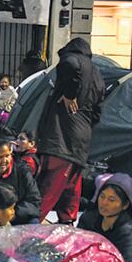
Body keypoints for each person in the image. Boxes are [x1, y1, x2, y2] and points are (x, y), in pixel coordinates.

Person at [36, 38, 104, 224]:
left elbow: (69, 64)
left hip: (62, 138)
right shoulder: (96, 72)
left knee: (48, 189)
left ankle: (29, 226)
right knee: (71, 189)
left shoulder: (74, 60)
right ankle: (67, 225)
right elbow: (98, 110)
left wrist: (69, 93)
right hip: (81, 139)